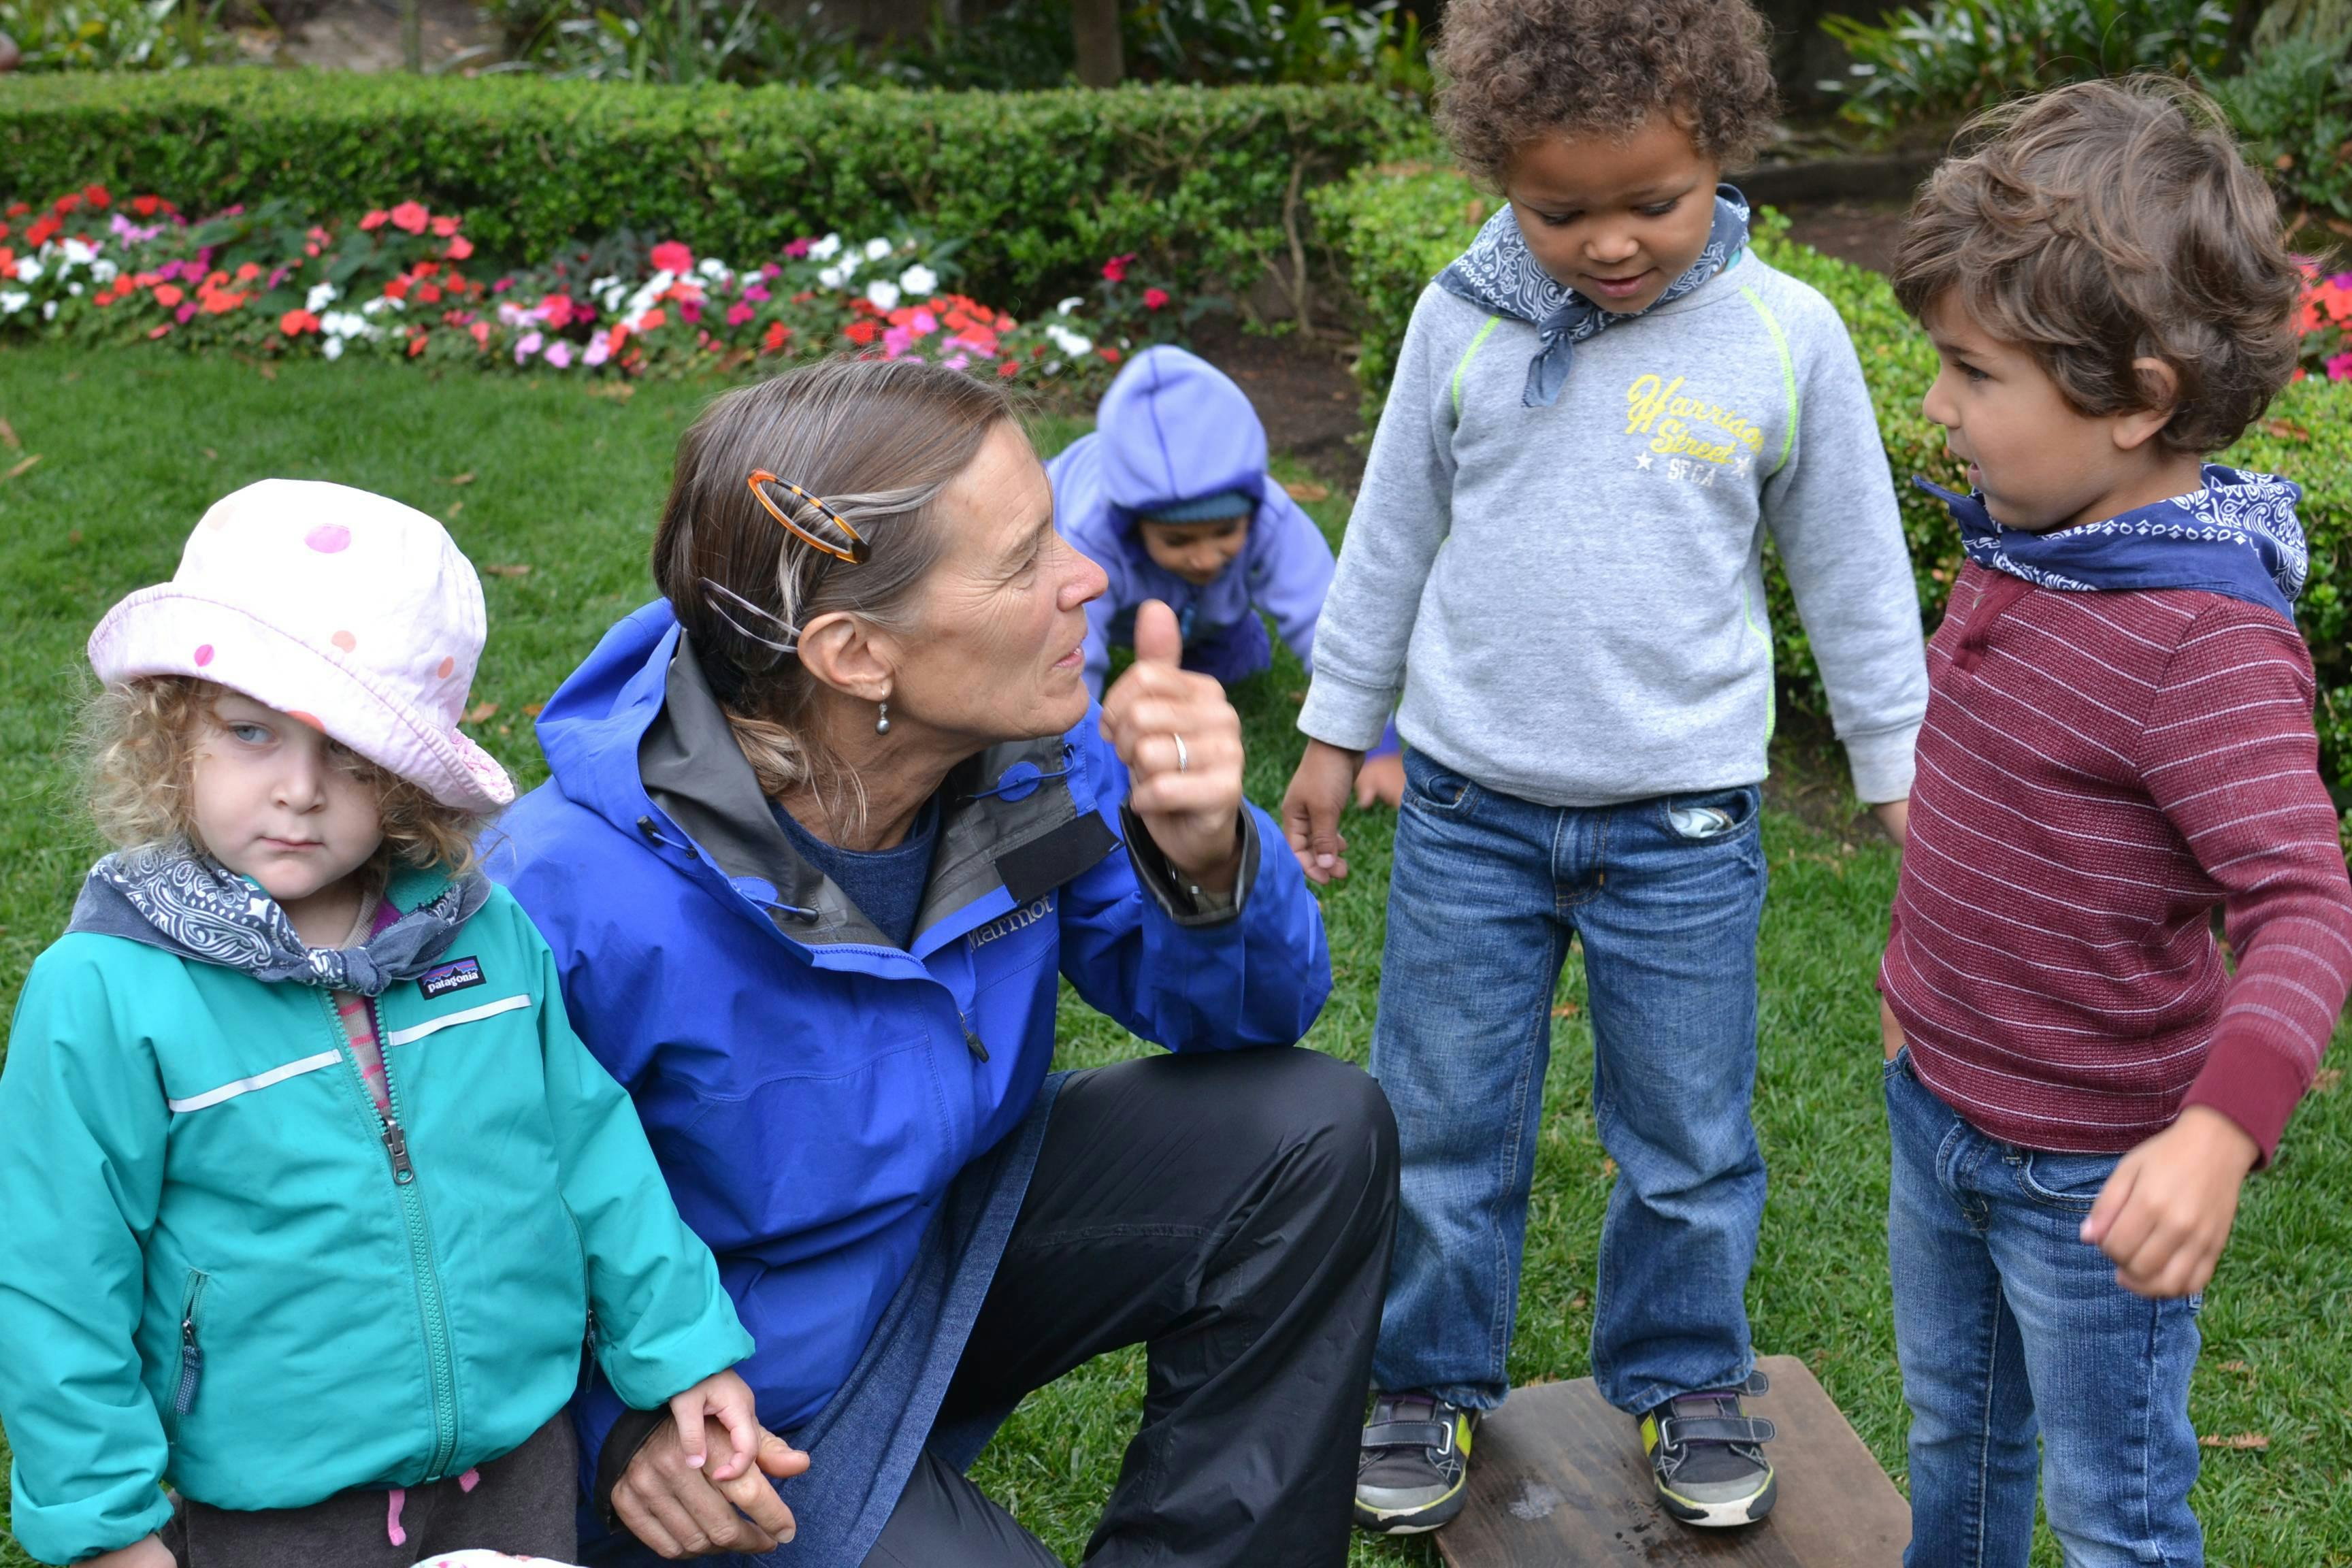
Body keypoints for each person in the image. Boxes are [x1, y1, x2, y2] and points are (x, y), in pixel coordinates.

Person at [487, 357, 1398, 1568]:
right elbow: (463, 1234)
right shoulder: (556, 891)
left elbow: (1252, 1019)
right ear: (856, 653)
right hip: (751, 1401)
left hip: (954, 1233)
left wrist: (1209, 858)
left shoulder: (1030, 761)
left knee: (1313, 1125)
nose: (1087, 580)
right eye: (1025, 561)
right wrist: (616, 1430)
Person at [1280, 0, 1931, 1535]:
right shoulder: (1462, 319)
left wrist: (1900, 767)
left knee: (1691, 1137)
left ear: (1724, 150)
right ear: (1499, 175)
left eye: (1654, 200)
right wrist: (1330, 728)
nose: (1612, 243)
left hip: (1685, 826)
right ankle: (1424, 1377)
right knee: (1439, 1118)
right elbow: (1389, 539)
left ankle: (1689, 1373)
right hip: (1463, 811)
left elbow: (1852, 572)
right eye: (1558, 209)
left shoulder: (1788, 333)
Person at [0, 480, 764, 1568]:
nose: (300, 791)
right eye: (250, 733)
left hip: (516, 1468)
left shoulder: (484, 937)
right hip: (278, 1508)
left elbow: (592, 1149)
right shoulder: (106, 991)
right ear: (173, 732)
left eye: (351, 754)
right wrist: (103, 1526)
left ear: (405, 778)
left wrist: (683, 1350)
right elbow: (56, 1280)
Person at [1877, 79, 2352, 1567]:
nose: (1940, 406)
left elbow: (2303, 905)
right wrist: (1918, 1004)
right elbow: (1981, 799)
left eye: (1971, 371)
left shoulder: (2202, 646)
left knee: (2114, 1513)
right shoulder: (2041, 538)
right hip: (1938, 1111)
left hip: (2091, 1173)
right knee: (1954, 1437)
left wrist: (2219, 1131)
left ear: (2137, 398)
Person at [1049, 343, 1405, 806]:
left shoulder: (1271, 518)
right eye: (1178, 540)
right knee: (1048, 638)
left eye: (1225, 532)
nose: (1204, 558)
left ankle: (1214, 633)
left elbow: (1328, 620)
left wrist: (1377, 746)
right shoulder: (1088, 534)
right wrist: (1081, 765)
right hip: (1101, 581)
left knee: (1233, 670)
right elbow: (1075, 648)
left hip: (1206, 608)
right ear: (1134, 527)